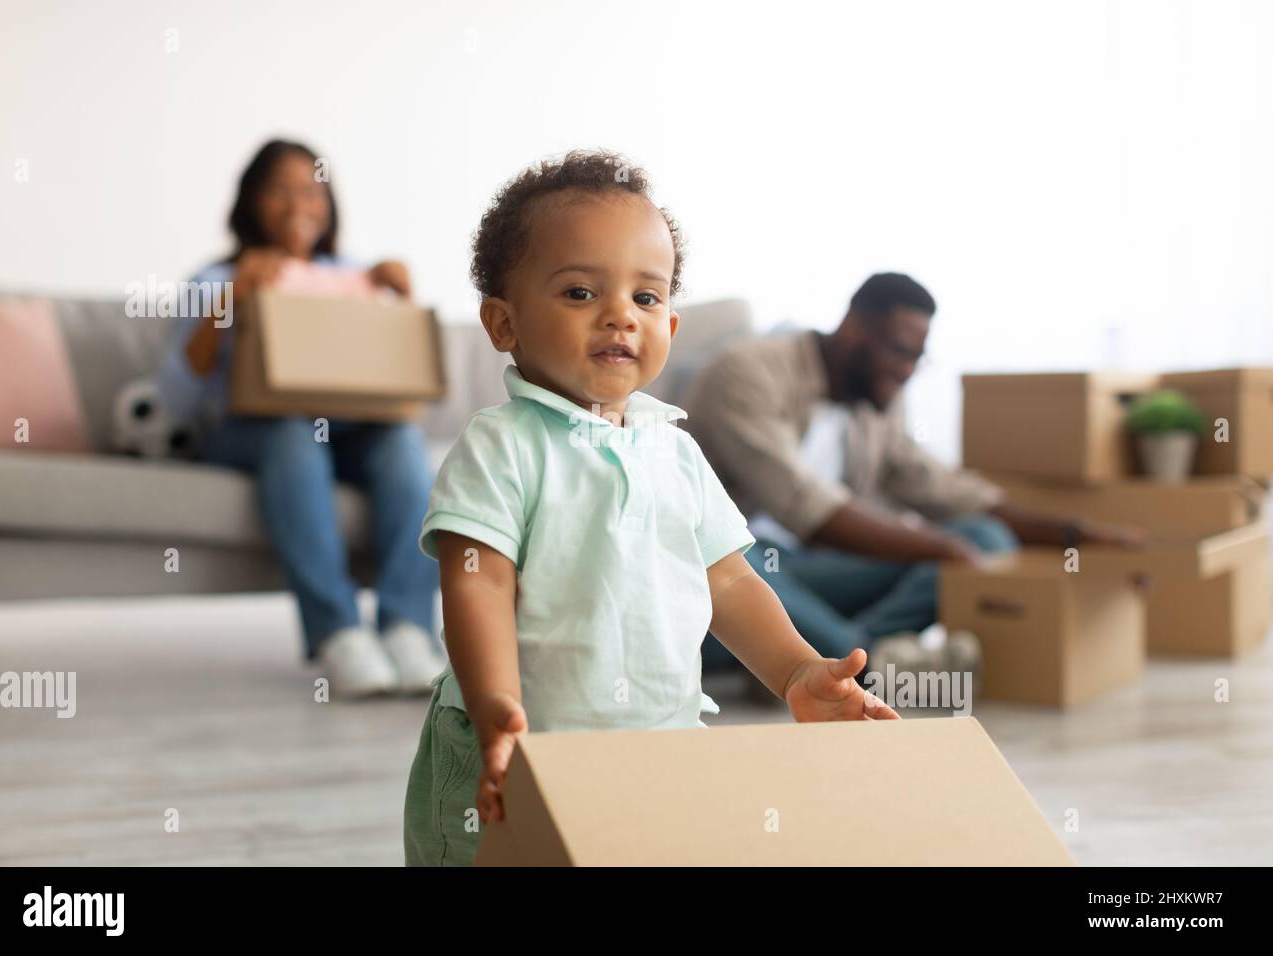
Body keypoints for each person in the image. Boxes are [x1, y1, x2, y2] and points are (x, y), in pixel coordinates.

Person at [402, 150, 899, 867]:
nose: (619, 317)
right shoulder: (502, 446)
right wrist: (494, 708)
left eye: (647, 297)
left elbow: (728, 582)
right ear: (503, 323)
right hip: (516, 751)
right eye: (579, 293)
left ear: (670, 321)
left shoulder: (675, 450)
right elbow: (477, 578)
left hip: (657, 749)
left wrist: (794, 671)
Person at [683, 272, 1146, 678]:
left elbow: (942, 489)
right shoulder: (748, 373)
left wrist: (1072, 534)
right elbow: (812, 512)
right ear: (855, 328)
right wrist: (941, 548)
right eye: (900, 352)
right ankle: (866, 663)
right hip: (748, 568)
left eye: (917, 358)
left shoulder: (878, 396)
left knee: (986, 538)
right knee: (736, 566)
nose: (906, 372)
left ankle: (818, 659)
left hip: (824, 574)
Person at [157, 139, 446, 699]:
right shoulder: (218, 277)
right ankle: (338, 632)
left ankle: (408, 626)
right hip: (250, 431)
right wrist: (229, 301)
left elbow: (391, 376)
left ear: (329, 203)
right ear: (251, 202)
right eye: (279, 191)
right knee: (293, 435)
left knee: (402, 442)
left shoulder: (355, 275)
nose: (298, 205)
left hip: (348, 429)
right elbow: (177, 397)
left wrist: (401, 299)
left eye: (311, 191)